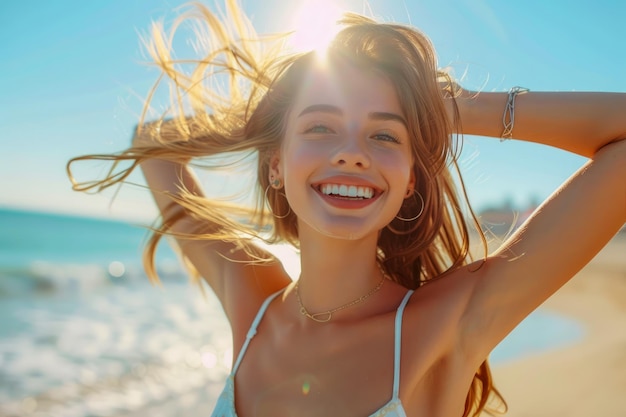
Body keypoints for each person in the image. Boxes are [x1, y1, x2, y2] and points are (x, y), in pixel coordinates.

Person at [68, 1, 626, 416]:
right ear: (274, 166)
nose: (351, 154)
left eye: (384, 137)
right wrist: (271, 118)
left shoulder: (444, 324)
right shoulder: (253, 304)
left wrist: (446, 108)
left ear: (410, 181)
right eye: (320, 127)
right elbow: (153, 142)